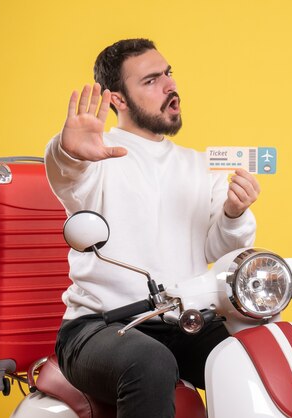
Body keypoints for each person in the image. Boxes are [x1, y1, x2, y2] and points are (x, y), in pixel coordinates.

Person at [45, 38, 260, 418]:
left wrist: (233, 212)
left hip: (184, 321)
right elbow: (67, 175)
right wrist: (67, 150)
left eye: (168, 74)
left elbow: (218, 249)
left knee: (254, 355)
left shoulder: (200, 165)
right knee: (150, 362)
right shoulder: (96, 156)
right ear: (118, 100)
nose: (169, 86)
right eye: (150, 81)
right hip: (98, 327)